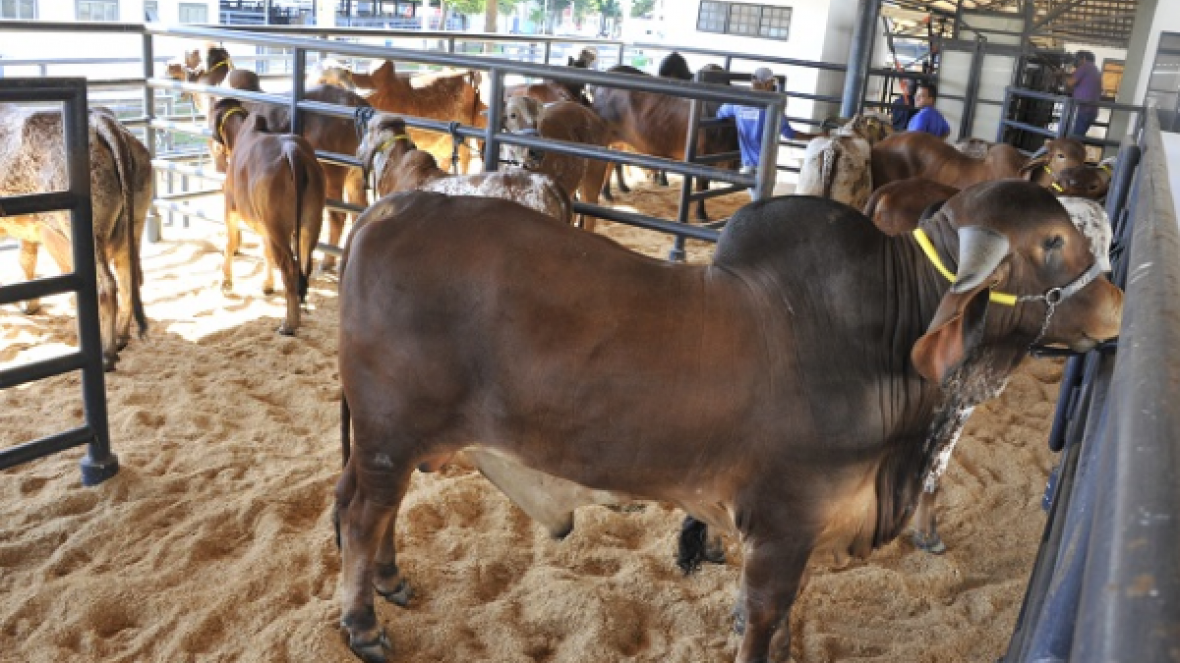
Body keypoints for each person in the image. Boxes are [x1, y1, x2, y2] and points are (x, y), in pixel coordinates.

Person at [714, 67, 798, 199]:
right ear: (768, 83)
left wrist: (740, 120)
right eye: (772, 83)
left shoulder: (739, 101)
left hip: (748, 164)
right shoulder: (773, 104)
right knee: (762, 202)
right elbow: (789, 134)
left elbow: (720, 114)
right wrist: (816, 136)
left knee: (757, 201)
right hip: (766, 165)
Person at [1066, 50, 1100, 137]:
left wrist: (1062, 75)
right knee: (1077, 137)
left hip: (1083, 110)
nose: (1076, 61)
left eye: (1077, 59)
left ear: (1084, 58)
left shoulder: (1085, 67)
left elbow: (1070, 83)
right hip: (1091, 111)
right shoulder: (1095, 69)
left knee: (1074, 139)